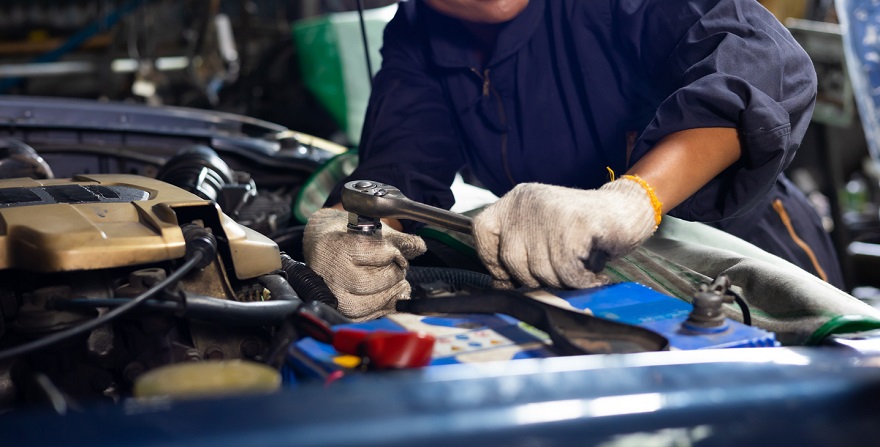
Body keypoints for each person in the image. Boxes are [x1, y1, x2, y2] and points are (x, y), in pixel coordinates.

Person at [303, 0, 844, 321]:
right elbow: (396, 170)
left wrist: (630, 201)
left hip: (738, 261)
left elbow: (764, 64)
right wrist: (352, 237)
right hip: (575, 286)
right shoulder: (416, 35)